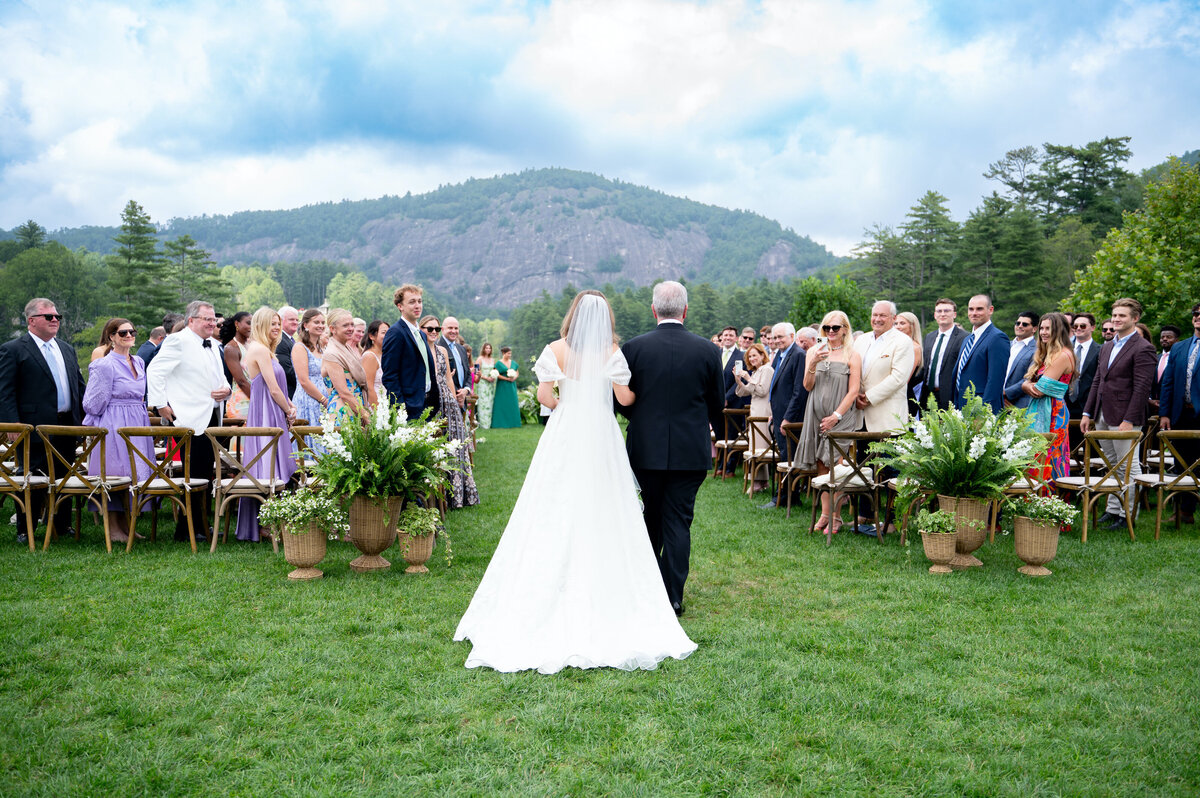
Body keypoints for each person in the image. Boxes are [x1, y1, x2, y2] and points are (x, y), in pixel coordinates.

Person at [454, 290, 697, 673]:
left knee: (554, 502)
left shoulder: (555, 349)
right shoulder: (611, 351)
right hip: (601, 434)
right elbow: (627, 399)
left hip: (566, 433)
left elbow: (545, 398)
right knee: (606, 504)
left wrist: (569, 396)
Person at [623, 282, 726, 616]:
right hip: (689, 450)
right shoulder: (709, 352)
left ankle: (648, 590)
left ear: (653, 310)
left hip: (645, 450)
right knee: (679, 521)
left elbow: (623, 401)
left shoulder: (634, 349)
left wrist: (642, 417)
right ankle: (672, 597)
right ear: (685, 310)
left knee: (651, 516)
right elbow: (717, 404)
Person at [0, 298, 86, 544]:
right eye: (49, 316)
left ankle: (61, 524)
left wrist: (84, 420)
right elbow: (5, 391)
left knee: (64, 475)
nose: (55, 320)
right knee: (31, 477)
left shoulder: (67, 349)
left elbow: (78, 388)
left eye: (58, 316)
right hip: (32, 426)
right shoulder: (14, 349)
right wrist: (13, 425)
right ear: (32, 321)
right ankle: (26, 529)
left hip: (67, 424)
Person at [146, 300, 230, 543]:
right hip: (187, 417)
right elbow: (155, 371)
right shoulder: (177, 340)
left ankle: (201, 526)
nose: (212, 323)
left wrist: (226, 391)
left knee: (206, 473)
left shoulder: (213, 345)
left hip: (212, 415)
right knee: (193, 475)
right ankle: (188, 530)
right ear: (191, 320)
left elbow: (221, 379)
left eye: (213, 319)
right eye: (207, 319)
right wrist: (161, 405)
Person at [1080, 298, 1157, 530]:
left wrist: (1129, 420)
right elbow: (1097, 381)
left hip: (1126, 416)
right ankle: (1113, 509)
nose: (1116, 320)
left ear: (1135, 319)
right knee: (1112, 464)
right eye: (1114, 316)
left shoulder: (1144, 348)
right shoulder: (1106, 346)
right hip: (1103, 413)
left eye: (1122, 316)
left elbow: (1142, 388)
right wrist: (1087, 413)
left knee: (1129, 466)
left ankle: (1127, 514)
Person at [81, 318, 155, 544]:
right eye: (123, 333)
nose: (129, 335)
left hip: (138, 421)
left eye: (132, 331)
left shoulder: (139, 362)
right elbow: (92, 401)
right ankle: (113, 527)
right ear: (111, 336)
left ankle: (125, 525)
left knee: (134, 472)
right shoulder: (104, 364)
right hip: (114, 422)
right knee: (115, 471)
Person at [796, 311, 863, 538]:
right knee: (821, 466)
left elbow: (853, 390)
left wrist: (836, 415)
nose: (831, 332)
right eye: (826, 328)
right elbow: (807, 386)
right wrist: (813, 363)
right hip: (815, 414)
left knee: (836, 465)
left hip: (840, 416)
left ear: (845, 329)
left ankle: (836, 516)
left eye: (835, 328)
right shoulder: (814, 351)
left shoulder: (852, 354)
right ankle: (825, 514)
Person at [234, 307, 298, 542]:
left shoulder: (268, 351)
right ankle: (267, 522)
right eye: (272, 323)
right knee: (266, 464)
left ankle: (274, 520)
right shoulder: (259, 349)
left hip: (275, 411)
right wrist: (287, 409)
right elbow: (272, 388)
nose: (277, 327)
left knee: (276, 463)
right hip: (265, 413)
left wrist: (290, 405)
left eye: (278, 323)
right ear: (261, 325)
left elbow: (280, 387)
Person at [421, 315, 479, 509]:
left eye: (436, 329)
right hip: (429, 401)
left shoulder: (442, 350)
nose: (433, 332)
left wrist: (455, 400)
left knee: (456, 447)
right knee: (437, 448)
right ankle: (438, 498)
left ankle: (459, 496)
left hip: (449, 402)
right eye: (430, 329)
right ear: (421, 330)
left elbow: (448, 379)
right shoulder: (418, 350)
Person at [1157, 302, 1200, 523]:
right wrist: (1164, 414)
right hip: (1180, 414)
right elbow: (1168, 383)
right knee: (1181, 463)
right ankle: (1183, 512)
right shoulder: (1179, 347)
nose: (1198, 317)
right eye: (1195, 313)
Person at [1022, 313, 1075, 484]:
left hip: (1053, 412)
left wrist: (1025, 386)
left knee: (1050, 456)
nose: (1043, 332)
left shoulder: (1062, 355)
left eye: (1048, 329)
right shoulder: (1048, 354)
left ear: (1058, 331)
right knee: (1038, 454)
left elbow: (1039, 389)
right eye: (1042, 328)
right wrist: (1027, 384)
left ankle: (1047, 500)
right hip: (1045, 407)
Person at [762, 321, 808, 508]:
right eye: (775, 337)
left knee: (789, 458)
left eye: (781, 337)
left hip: (791, 418)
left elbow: (799, 391)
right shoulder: (780, 355)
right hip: (779, 414)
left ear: (792, 336)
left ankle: (783, 497)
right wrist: (774, 413)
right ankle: (787, 496)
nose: (777, 340)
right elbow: (777, 387)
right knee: (784, 456)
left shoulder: (798, 355)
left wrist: (788, 418)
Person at [381, 284, 440, 420]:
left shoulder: (421, 334)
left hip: (426, 404)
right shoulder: (395, 333)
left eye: (419, 301)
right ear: (400, 306)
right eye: (412, 302)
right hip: (408, 407)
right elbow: (390, 376)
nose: (417, 305)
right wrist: (401, 408)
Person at [853, 300, 914, 433]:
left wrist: (868, 397)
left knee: (887, 454)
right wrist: (854, 394)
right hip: (859, 418)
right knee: (861, 455)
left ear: (894, 318)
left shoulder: (903, 342)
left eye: (882, 315)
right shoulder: (860, 340)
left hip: (888, 420)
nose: (877, 319)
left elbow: (898, 378)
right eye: (874, 315)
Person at [954, 294, 1010, 413]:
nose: (974, 313)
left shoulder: (997, 338)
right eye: (971, 309)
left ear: (990, 310)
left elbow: (995, 380)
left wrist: (983, 412)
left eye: (979, 309)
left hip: (982, 409)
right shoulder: (967, 339)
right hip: (962, 405)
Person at [732, 342, 774, 493]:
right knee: (756, 445)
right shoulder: (757, 371)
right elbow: (745, 392)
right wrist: (738, 379)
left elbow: (762, 390)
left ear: (763, 355)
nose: (752, 358)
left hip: (763, 412)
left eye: (755, 355)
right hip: (755, 411)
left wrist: (748, 378)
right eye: (750, 356)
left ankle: (757, 481)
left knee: (760, 446)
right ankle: (761, 481)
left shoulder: (767, 369)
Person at [322, 308, 369, 426]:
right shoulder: (332, 354)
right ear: (333, 329)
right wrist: (366, 415)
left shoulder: (346, 348)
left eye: (352, 325)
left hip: (355, 407)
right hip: (342, 411)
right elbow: (343, 392)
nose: (350, 329)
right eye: (345, 325)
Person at [921, 298, 968, 411]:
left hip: (950, 397)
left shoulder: (965, 337)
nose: (942, 314)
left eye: (946, 311)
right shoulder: (929, 337)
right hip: (928, 396)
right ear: (934, 315)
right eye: (939, 311)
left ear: (954, 314)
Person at [1066, 312, 1101, 454]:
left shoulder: (1101, 350)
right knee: (1067, 451)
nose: (1078, 328)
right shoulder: (1064, 349)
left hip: (1088, 407)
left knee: (1091, 452)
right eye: (1075, 326)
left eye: (1082, 326)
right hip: (1066, 405)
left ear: (1092, 327)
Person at [291, 309, 328, 427]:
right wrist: (323, 400)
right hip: (308, 400)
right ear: (305, 325)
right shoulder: (299, 347)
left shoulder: (320, 347)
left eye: (323, 323)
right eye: (316, 322)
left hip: (323, 401)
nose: (321, 325)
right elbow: (304, 381)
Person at [1003, 312, 1039, 409]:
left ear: (1034, 329)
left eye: (1025, 324)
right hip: (997, 400)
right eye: (1017, 323)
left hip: (1018, 404)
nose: (1020, 326)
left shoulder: (1037, 350)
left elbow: (1030, 377)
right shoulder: (1006, 345)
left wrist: (1005, 393)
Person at [220, 311, 252, 420]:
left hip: (254, 395)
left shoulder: (250, 345)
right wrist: (258, 399)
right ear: (237, 324)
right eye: (248, 323)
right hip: (242, 402)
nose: (251, 327)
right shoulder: (231, 348)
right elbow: (241, 381)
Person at [894, 311, 924, 418]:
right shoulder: (896, 345)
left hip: (904, 398)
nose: (898, 327)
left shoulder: (914, 348)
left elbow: (904, 379)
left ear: (912, 326)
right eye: (896, 323)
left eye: (902, 323)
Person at [439, 317, 471, 408]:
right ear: (442, 329)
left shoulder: (461, 349)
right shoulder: (437, 347)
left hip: (462, 399)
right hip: (445, 401)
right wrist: (457, 394)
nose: (453, 331)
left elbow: (468, 373)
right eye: (450, 328)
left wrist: (465, 390)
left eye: (456, 328)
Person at [359, 320, 389, 409]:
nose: (388, 336)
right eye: (384, 333)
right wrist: (378, 412)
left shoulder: (385, 355)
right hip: (375, 406)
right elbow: (369, 387)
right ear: (372, 336)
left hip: (386, 404)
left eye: (389, 332)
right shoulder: (370, 357)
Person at [490, 346, 522, 428]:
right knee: (502, 403)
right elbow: (496, 374)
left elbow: (517, 372)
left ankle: (514, 423)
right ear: (503, 353)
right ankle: (500, 423)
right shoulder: (498, 363)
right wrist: (506, 379)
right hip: (502, 386)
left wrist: (514, 377)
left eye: (510, 353)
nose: (509, 355)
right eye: (508, 353)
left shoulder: (513, 363)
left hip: (511, 386)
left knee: (512, 402)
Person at [276, 305, 300, 400]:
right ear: (281, 321)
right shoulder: (280, 340)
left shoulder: (290, 339)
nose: (295, 322)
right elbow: (288, 371)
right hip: (288, 393)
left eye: (297, 320)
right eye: (291, 319)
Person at [474, 342, 497, 429]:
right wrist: (485, 378)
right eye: (486, 348)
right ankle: (483, 424)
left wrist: (493, 376)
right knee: (483, 402)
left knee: (490, 402)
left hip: (490, 384)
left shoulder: (492, 360)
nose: (488, 350)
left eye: (489, 348)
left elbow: (494, 370)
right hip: (483, 382)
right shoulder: (480, 359)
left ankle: (489, 423)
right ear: (483, 349)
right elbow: (476, 372)